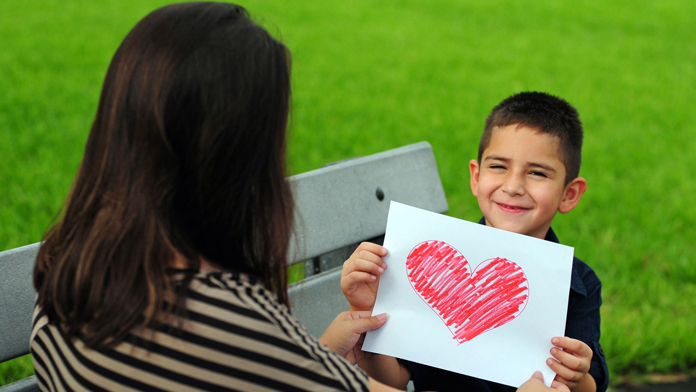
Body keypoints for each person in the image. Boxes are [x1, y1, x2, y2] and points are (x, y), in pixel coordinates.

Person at [341, 92, 609, 392]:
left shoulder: (577, 285)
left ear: (569, 194)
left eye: (537, 173)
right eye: (498, 167)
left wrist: (577, 378)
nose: (513, 186)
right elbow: (394, 380)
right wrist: (365, 312)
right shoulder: (436, 270)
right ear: (476, 176)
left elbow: (591, 386)